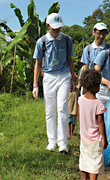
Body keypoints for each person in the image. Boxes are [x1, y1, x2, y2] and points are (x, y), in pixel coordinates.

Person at [32, 13, 75, 153]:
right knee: (49, 110)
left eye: (59, 27)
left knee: (62, 107)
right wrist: (35, 85)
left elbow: (70, 59)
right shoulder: (42, 41)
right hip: (49, 76)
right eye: (55, 28)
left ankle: (63, 142)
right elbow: (38, 63)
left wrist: (73, 78)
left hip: (63, 75)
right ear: (47, 26)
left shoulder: (67, 40)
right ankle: (52, 141)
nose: (57, 30)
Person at [78, 69, 108, 180]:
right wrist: (104, 138)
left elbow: (79, 117)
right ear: (96, 87)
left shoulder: (80, 100)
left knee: (85, 160)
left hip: (84, 137)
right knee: (94, 163)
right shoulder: (98, 104)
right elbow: (101, 122)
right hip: (95, 139)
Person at [78, 22, 110, 94]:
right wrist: (85, 86)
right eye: (99, 33)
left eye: (104, 33)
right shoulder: (88, 49)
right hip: (90, 84)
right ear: (93, 33)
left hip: (106, 86)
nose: (101, 36)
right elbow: (85, 68)